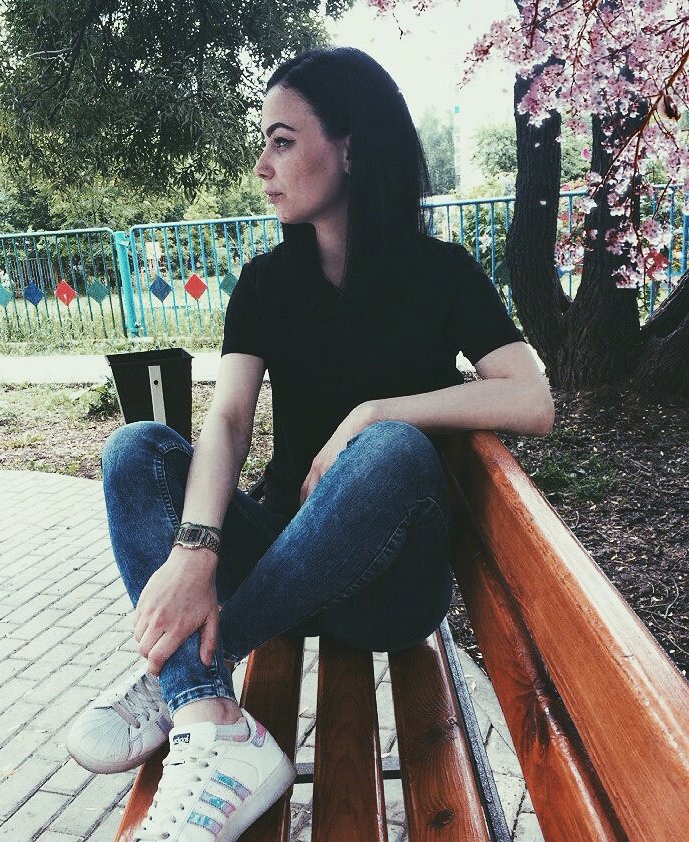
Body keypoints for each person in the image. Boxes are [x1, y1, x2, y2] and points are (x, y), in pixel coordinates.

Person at [66, 46, 554, 842]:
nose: (262, 166)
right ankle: (209, 713)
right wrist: (194, 552)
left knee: (392, 450)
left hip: (389, 589)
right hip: (285, 564)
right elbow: (227, 421)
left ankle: (186, 678)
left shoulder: (441, 274)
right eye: (264, 142)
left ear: (351, 147)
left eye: (283, 141)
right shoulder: (265, 284)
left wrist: (372, 414)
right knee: (137, 450)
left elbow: (532, 397)